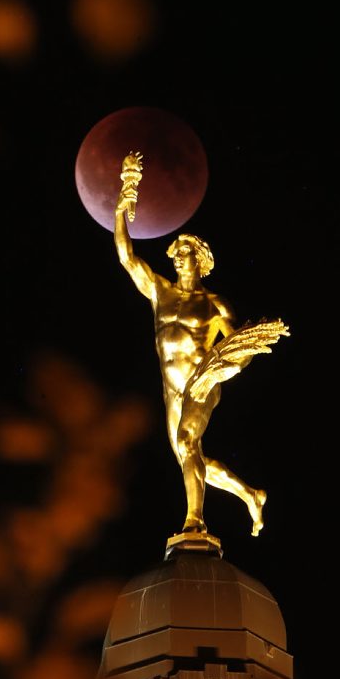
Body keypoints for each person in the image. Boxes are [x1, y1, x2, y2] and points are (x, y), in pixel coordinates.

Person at [114, 152, 289, 536]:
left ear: (200, 261)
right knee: (189, 456)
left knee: (188, 440)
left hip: (201, 383)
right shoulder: (161, 293)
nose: (178, 261)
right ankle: (250, 495)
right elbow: (127, 256)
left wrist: (216, 373)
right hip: (170, 389)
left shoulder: (213, 305)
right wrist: (124, 198)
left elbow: (239, 350)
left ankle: (195, 521)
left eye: (185, 256)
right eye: (175, 256)